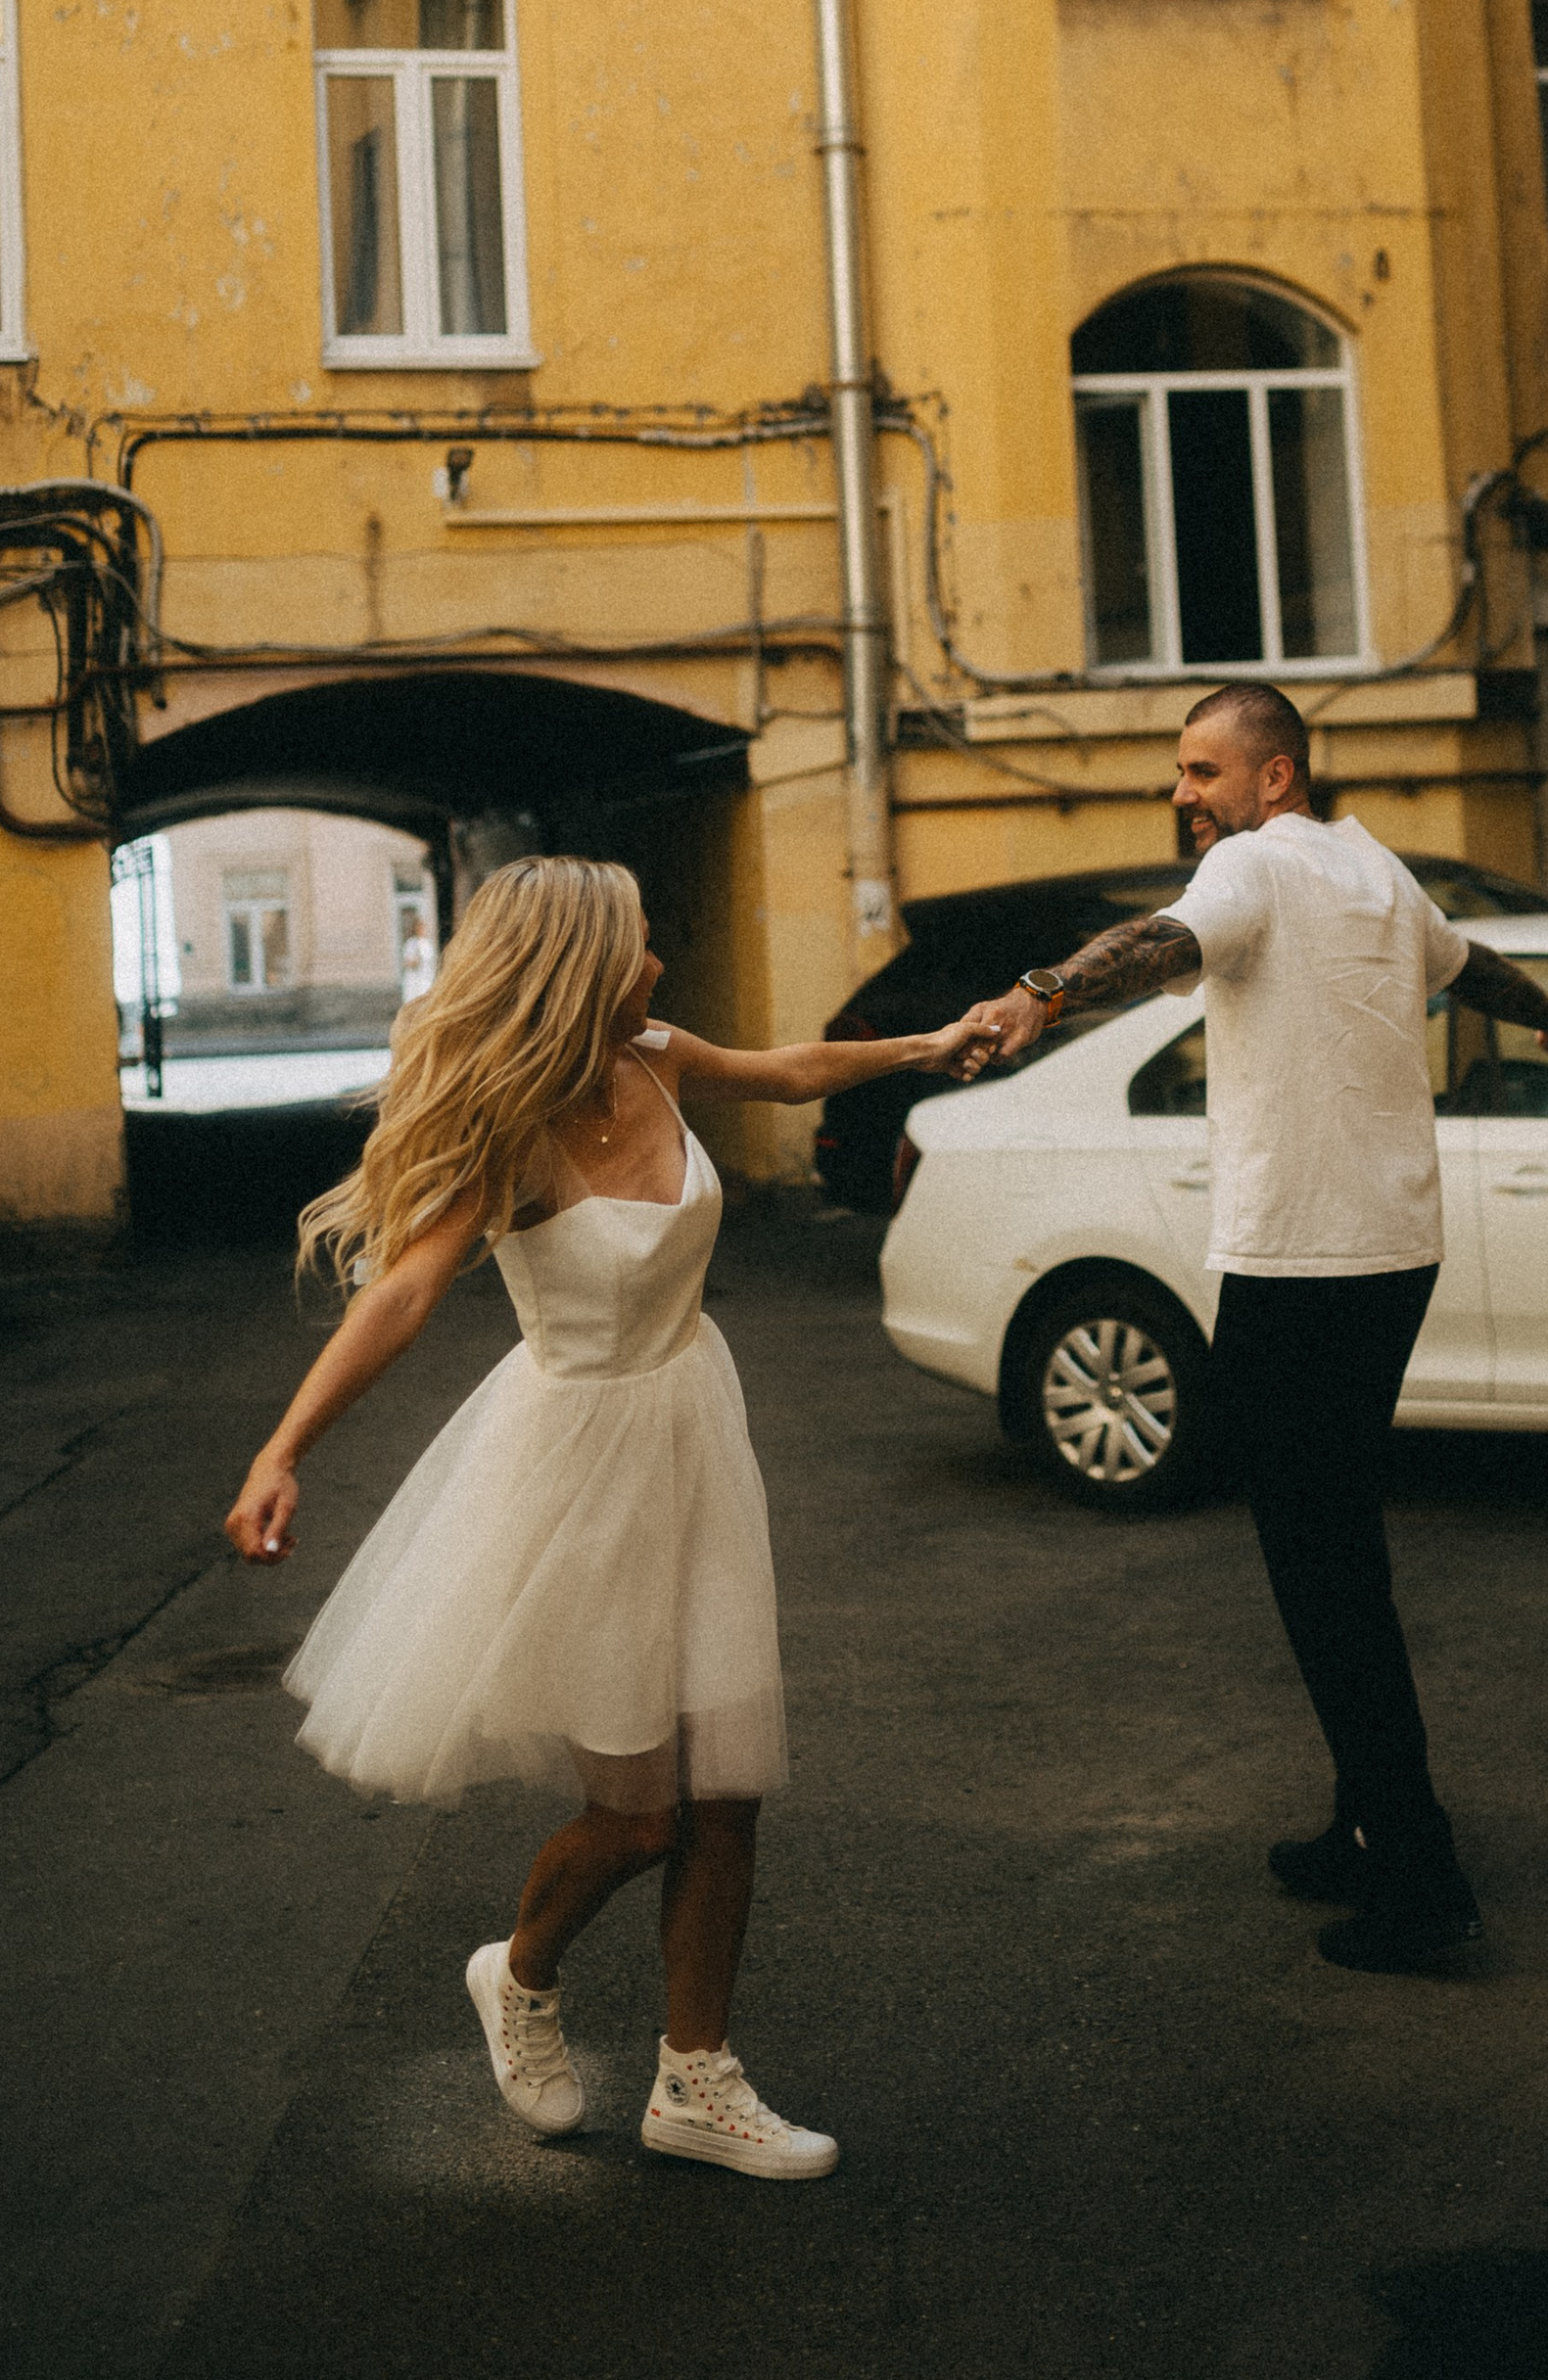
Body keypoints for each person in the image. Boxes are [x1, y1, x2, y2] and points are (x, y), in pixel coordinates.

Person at [223, 854, 992, 2176]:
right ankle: (520, 1974)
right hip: (577, 1473)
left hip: (693, 1425)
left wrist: (928, 1046)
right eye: (637, 940)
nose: (657, 959)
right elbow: (401, 1292)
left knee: (730, 1790)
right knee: (639, 1815)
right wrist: (284, 1448)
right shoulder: (508, 1130)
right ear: (578, 961)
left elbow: (789, 1071)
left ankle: (697, 2083)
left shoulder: (655, 1055)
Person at [965, 684, 1548, 1975]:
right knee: (1340, 1546)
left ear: (1276, 777)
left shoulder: (1254, 868)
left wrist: (1043, 989)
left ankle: (1421, 1878)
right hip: (1391, 1252)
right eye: (1179, 772)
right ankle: (1365, 1826)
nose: (1182, 794)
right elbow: (1468, 964)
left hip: (1302, 1263)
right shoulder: (1375, 872)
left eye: (1202, 770)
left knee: (1325, 1577)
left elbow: (1158, 940)